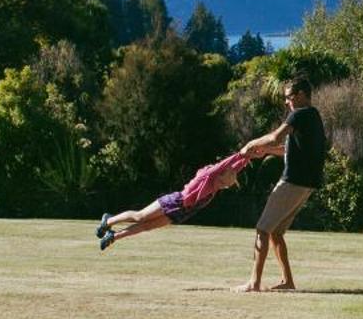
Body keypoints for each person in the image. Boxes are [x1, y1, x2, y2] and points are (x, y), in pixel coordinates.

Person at [237, 78, 328, 292]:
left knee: (262, 229)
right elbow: (289, 149)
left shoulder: (299, 114)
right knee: (276, 232)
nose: (287, 102)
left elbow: (275, 138)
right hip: (307, 184)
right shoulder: (313, 116)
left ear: (302, 95)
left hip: (293, 182)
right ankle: (288, 281)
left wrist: (250, 145)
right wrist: (266, 151)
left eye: (290, 97)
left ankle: (254, 283)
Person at [96, 150, 256, 250]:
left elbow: (233, 168)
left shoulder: (215, 186)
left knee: (146, 227)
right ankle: (109, 220)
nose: (226, 186)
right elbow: (225, 165)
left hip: (181, 213)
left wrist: (248, 157)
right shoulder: (208, 176)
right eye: (226, 182)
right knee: (140, 217)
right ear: (220, 175)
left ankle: (113, 237)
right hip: (175, 201)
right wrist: (241, 154)